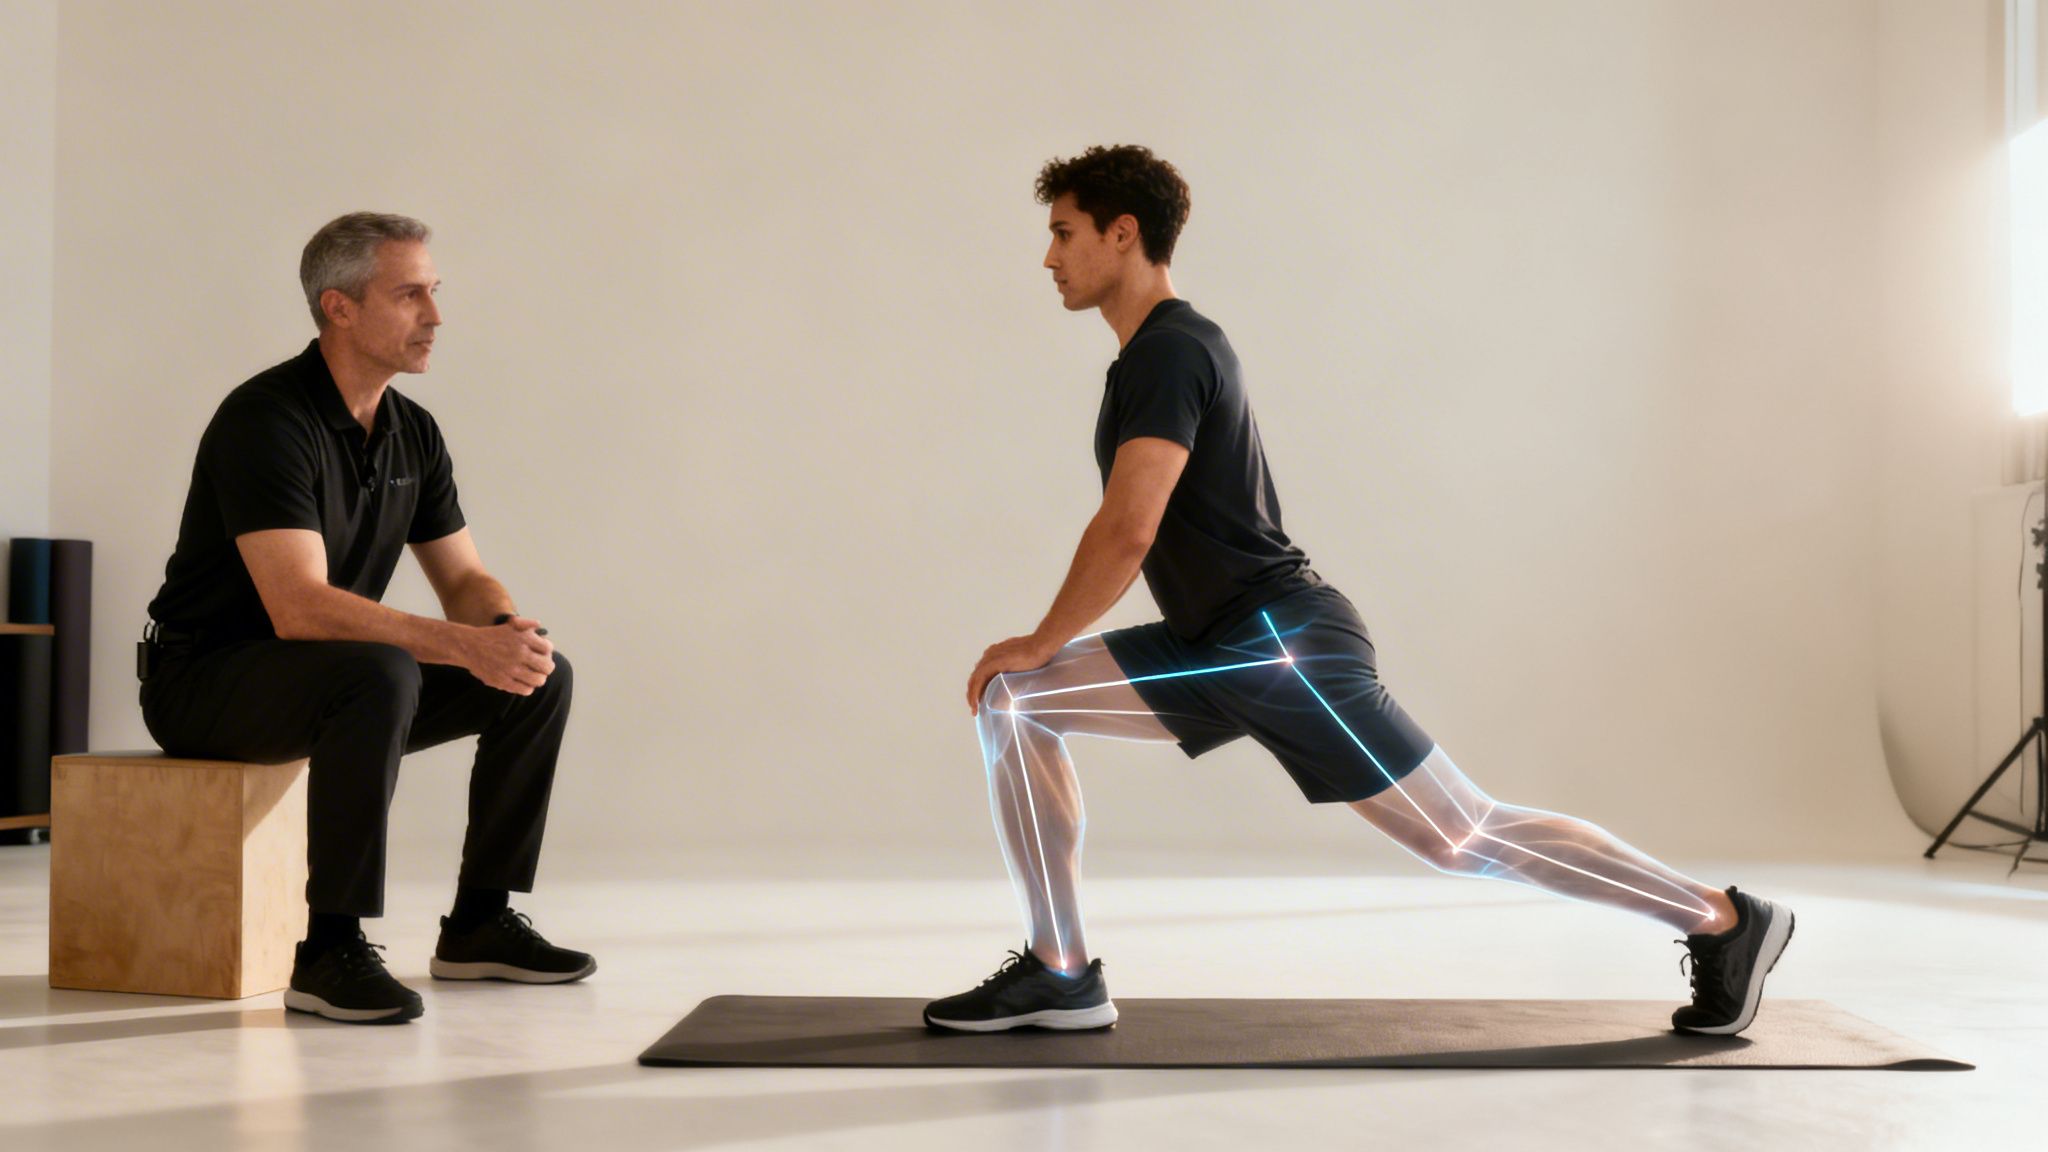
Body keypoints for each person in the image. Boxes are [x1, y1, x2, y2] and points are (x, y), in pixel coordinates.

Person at [924, 146, 1792, 1038]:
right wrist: (1036, 656)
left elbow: (1128, 527)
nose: (1050, 257)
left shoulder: (1170, 351)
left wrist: (1042, 635)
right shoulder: (1156, 353)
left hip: (1276, 645)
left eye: (1064, 233)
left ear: (1122, 233)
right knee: (1018, 701)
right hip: (1216, 644)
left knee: (1461, 833)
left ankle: (1723, 920)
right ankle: (1061, 970)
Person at [139, 213, 593, 1024]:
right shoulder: (267, 419)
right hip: (204, 678)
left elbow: (463, 577)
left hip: (330, 676)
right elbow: (298, 606)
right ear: (340, 307)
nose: (435, 315)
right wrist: (461, 646)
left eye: (434, 291)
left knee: (539, 675)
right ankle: (330, 950)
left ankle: (480, 922)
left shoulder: (412, 431)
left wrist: (503, 634)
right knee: (377, 671)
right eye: (410, 294)